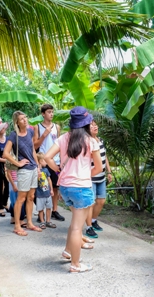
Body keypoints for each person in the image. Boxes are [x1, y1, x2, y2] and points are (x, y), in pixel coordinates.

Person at [44, 106, 102, 273]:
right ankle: (76, 265)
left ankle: (68, 252)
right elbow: (98, 168)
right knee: (78, 227)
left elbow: (47, 157)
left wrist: (58, 170)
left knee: (74, 224)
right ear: (86, 123)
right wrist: (83, 175)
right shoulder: (91, 141)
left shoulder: (63, 138)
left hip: (65, 187)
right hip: (81, 188)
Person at [3, 111, 42, 236]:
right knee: (21, 198)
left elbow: (32, 150)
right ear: (17, 122)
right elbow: (5, 153)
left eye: (25, 117)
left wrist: (37, 166)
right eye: (21, 119)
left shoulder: (30, 132)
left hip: (33, 168)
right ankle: (17, 225)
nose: (25, 120)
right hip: (24, 170)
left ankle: (30, 223)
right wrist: (18, 163)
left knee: (31, 197)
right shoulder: (14, 135)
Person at [33, 104, 65, 221]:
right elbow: (35, 145)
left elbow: (60, 144)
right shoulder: (38, 127)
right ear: (43, 114)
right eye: (49, 112)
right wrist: (44, 135)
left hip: (55, 161)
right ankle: (41, 213)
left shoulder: (57, 127)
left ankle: (54, 211)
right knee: (42, 187)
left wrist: (61, 161)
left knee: (55, 187)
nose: (51, 114)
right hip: (43, 161)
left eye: (52, 112)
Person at [84, 120, 113, 239]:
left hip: (101, 177)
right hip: (91, 177)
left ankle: (94, 220)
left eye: (95, 125)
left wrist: (109, 171)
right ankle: (88, 227)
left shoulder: (100, 140)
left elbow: (104, 156)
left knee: (101, 201)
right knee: (91, 203)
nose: (95, 127)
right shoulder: (87, 142)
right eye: (92, 126)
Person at [35, 152, 56, 229]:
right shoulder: (36, 171)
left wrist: (51, 190)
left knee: (49, 207)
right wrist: (37, 175)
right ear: (40, 161)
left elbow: (49, 180)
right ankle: (42, 222)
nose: (46, 162)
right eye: (44, 161)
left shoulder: (46, 170)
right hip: (39, 194)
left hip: (47, 193)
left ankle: (48, 221)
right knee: (40, 209)